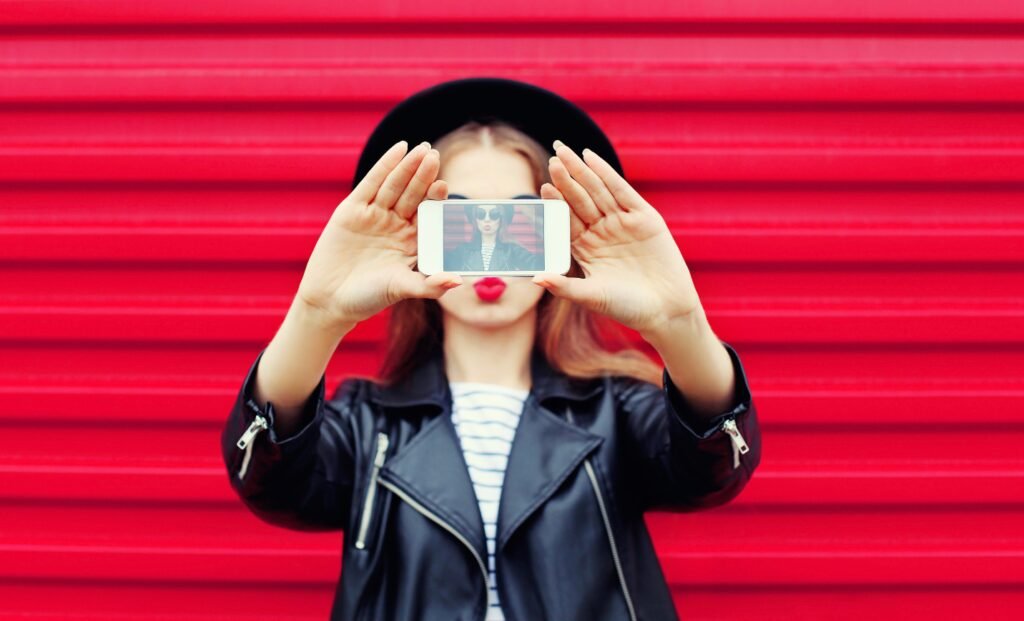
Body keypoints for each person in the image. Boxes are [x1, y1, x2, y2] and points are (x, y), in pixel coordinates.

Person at [221, 77, 762, 621]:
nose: (490, 250)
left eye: (519, 220)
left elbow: (714, 470)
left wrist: (679, 324)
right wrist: (316, 316)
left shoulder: (617, 413)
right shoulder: (366, 423)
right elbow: (270, 481)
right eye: (458, 219)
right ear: (416, 236)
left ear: (561, 234)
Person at [444, 200, 543, 271]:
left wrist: (540, 224)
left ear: (501, 219)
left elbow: (539, 265)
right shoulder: (462, 250)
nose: (487, 219)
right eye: (480, 214)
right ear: (475, 219)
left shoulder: (512, 250)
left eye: (494, 214)